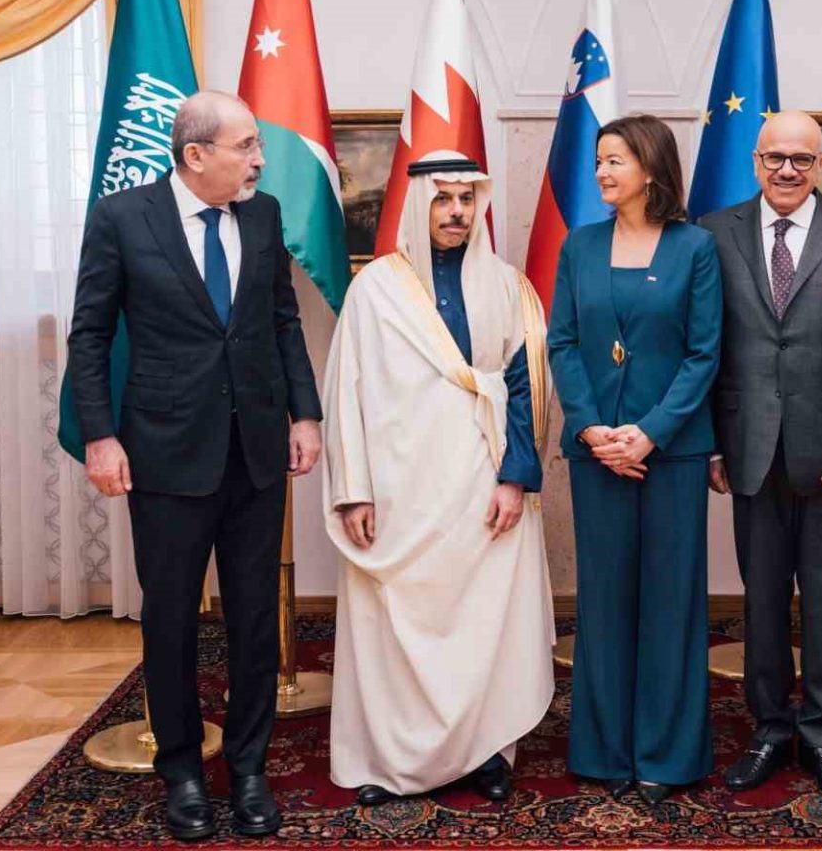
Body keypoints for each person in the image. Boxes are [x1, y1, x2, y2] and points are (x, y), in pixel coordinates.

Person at [67, 90, 322, 842]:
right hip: (165, 453)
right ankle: (180, 771)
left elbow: (282, 320)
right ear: (196, 155)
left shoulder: (263, 215)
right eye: (246, 146)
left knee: (254, 619)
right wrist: (100, 436)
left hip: (256, 453)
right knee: (172, 618)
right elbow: (90, 335)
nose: (259, 159)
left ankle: (248, 769)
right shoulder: (123, 217)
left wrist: (304, 414)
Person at [320, 151, 554, 806]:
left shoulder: (506, 285)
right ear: (418, 203)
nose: (456, 212)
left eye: (466, 199)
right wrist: (354, 489)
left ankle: (486, 750)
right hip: (398, 489)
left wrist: (515, 477)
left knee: (483, 624)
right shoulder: (375, 290)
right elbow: (346, 393)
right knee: (395, 626)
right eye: (443, 199)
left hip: (483, 484)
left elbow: (525, 388)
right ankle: (391, 759)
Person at [699, 110, 822, 800]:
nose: (787, 170)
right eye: (775, 158)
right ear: (756, 162)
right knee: (760, 602)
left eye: (802, 160)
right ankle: (768, 728)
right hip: (748, 450)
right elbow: (708, 349)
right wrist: (711, 443)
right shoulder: (714, 232)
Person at [548, 114, 722, 805]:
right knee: (603, 600)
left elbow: (704, 353)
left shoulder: (695, 247)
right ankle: (603, 751)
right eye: (598, 160)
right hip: (596, 456)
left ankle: (666, 756)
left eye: (614, 159)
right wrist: (593, 430)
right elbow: (562, 341)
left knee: (671, 602)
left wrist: (649, 433)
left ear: (650, 168)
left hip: (671, 454)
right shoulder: (579, 244)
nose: (601, 171)